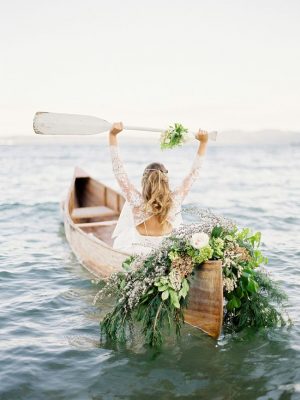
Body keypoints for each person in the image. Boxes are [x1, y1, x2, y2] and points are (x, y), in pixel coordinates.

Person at [109, 122, 208, 256]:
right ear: (165, 180)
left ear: (144, 181)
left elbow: (118, 171)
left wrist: (112, 135)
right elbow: (194, 173)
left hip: (139, 256)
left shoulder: (136, 202)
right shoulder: (174, 201)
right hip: (166, 258)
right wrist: (203, 143)